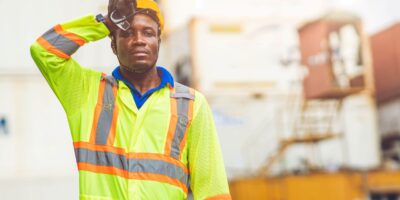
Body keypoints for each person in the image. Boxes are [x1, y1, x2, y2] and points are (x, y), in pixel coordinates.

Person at [30, 0, 231, 199]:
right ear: (114, 46)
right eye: (127, 33)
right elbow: (44, 51)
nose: (139, 40)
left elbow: (212, 190)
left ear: (158, 43)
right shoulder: (86, 92)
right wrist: (105, 23)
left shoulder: (191, 104)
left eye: (148, 33)